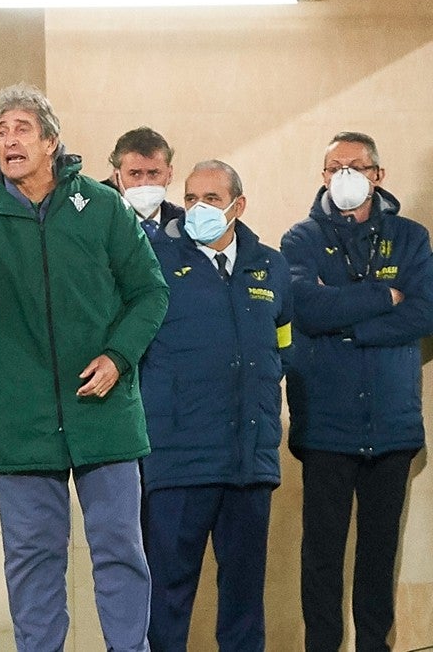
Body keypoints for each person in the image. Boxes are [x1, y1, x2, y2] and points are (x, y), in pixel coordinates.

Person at [0, 82, 169, 651]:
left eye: (22, 129)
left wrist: (118, 355)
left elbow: (150, 293)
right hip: (23, 421)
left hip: (104, 412)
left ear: (51, 141)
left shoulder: (101, 207)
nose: (9, 141)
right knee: (31, 561)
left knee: (121, 553)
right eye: (0, 132)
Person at [281, 132, 433, 651]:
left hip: (393, 427)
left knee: (378, 552)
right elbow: (305, 308)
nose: (344, 175)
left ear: (378, 175)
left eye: (356, 166)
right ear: (322, 176)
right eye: (333, 167)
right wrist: (384, 297)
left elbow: (423, 311)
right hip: (325, 425)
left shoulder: (411, 238)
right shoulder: (300, 239)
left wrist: (349, 324)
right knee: (321, 554)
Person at [139, 160, 292, 651]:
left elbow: (282, 346)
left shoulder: (271, 266)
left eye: (210, 199)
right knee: (167, 598)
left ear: (237, 205)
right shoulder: (154, 261)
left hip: (248, 464)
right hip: (177, 463)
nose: (197, 209)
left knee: (245, 602)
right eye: (189, 199)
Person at [105, 127, 184, 237]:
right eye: (135, 174)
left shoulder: (184, 224)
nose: (144, 183)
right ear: (117, 177)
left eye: (153, 173)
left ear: (169, 174)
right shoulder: (99, 223)